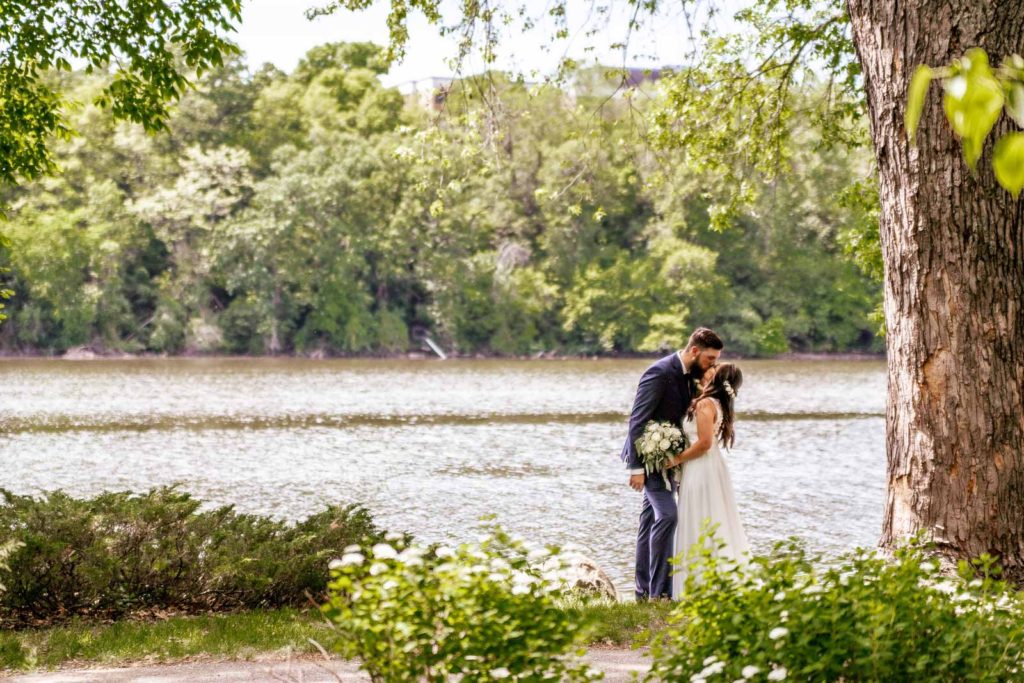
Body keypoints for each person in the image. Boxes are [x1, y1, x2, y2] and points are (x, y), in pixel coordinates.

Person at [621, 327, 722, 600]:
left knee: (649, 520)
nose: (713, 364)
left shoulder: (692, 376)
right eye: (710, 358)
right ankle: (659, 593)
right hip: (650, 456)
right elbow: (637, 420)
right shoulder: (659, 372)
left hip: (669, 459)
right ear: (694, 351)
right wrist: (636, 468)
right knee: (668, 515)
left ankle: (644, 593)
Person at [665, 363, 750, 597]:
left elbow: (704, 443)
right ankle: (713, 580)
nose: (708, 370)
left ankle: (700, 586)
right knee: (713, 517)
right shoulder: (719, 404)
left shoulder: (705, 404)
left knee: (698, 516)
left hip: (701, 467)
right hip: (712, 466)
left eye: (714, 368)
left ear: (717, 378)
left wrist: (674, 460)